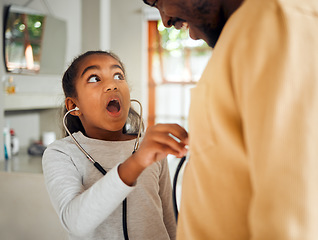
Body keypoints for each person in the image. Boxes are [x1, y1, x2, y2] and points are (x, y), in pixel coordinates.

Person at [143, 0, 318, 239]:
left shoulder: (273, 20)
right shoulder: (244, 34)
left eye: (158, 1)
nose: (164, 20)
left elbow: (292, 219)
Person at [42, 50, 188, 240]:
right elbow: (75, 223)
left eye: (118, 76)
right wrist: (136, 163)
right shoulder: (61, 153)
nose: (112, 85)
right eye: (94, 78)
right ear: (73, 106)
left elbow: (168, 218)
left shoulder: (147, 148)